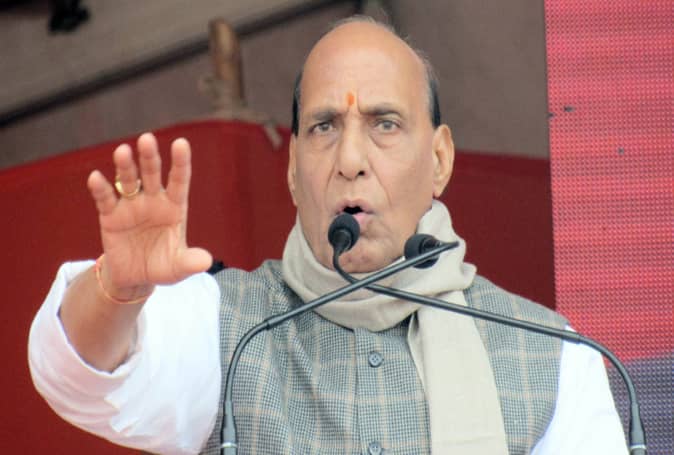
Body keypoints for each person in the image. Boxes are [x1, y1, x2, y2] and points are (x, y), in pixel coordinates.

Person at [28, 16, 627, 455]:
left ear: (439, 160)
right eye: (324, 127)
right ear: (293, 169)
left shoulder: (551, 354)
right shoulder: (229, 327)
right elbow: (78, 378)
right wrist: (119, 291)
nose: (350, 160)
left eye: (384, 124)